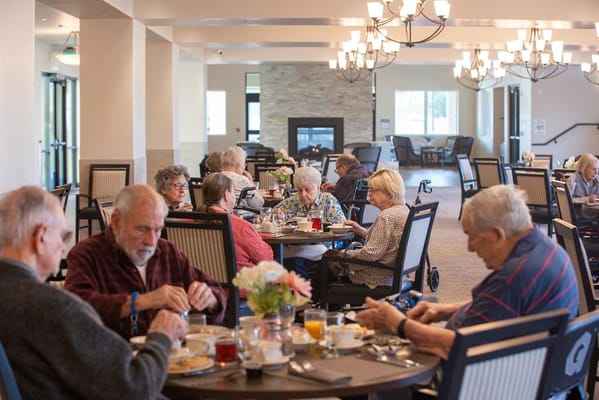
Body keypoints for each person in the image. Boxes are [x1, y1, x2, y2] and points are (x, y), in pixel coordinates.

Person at [0, 186, 186, 399]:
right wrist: (161, 336)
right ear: (41, 237)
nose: (63, 247)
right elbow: (136, 387)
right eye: (63, 236)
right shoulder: (53, 308)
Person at [357, 184, 579, 360]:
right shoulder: (549, 251)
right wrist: (445, 310)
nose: (470, 248)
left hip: (485, 382)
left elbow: (457, 346)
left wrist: (400, 324)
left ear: (497, 235)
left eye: (472, 236)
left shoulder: (513, 278)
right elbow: (509, 311)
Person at [65, 185, 227, 339]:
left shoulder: (166, 251)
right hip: (115, 360)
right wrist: (142, 301)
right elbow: (75, 309)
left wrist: (209, 299)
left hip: (173, 358)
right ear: (116, 222)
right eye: (142, 229)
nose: (151, 241)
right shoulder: (87, 254)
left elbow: (215, 293)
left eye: (157, 230)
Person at [326, 169, 409, 289]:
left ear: (389, 194)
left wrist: (344, 254)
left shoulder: (386, 217)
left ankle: (328, 303)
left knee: (327, 258)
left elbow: (371, 254)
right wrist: (360, 230)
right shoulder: (403, 211)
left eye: (373, 190)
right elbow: (388, 242)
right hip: (397, 276)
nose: (369, 193)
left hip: (377, 278)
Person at [274, 166, 346, 279]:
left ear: (318, 187)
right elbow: (270, 217)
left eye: (307, 190)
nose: (302, 194)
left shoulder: (328, 200)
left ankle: (300, 294)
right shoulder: (291, 202)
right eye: (299, 190)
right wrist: (274, 215)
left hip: (322, 247)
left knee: (293, 263)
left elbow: (341, 228)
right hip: (295, 246)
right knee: (294, 263)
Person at [198, 173, 273, 276]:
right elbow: (266, 260)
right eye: (233, 192)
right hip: (240, 287)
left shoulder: (190, 223)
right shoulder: (240, 226)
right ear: (226, 195)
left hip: (204, 286)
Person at [222, 146, 264, 210]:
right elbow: (259, 204)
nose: (244, 167)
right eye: (244, 164)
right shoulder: (242, 180)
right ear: (238, 166)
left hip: (217, 216)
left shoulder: (214, 178)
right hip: (238, 216)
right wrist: (250, 182)